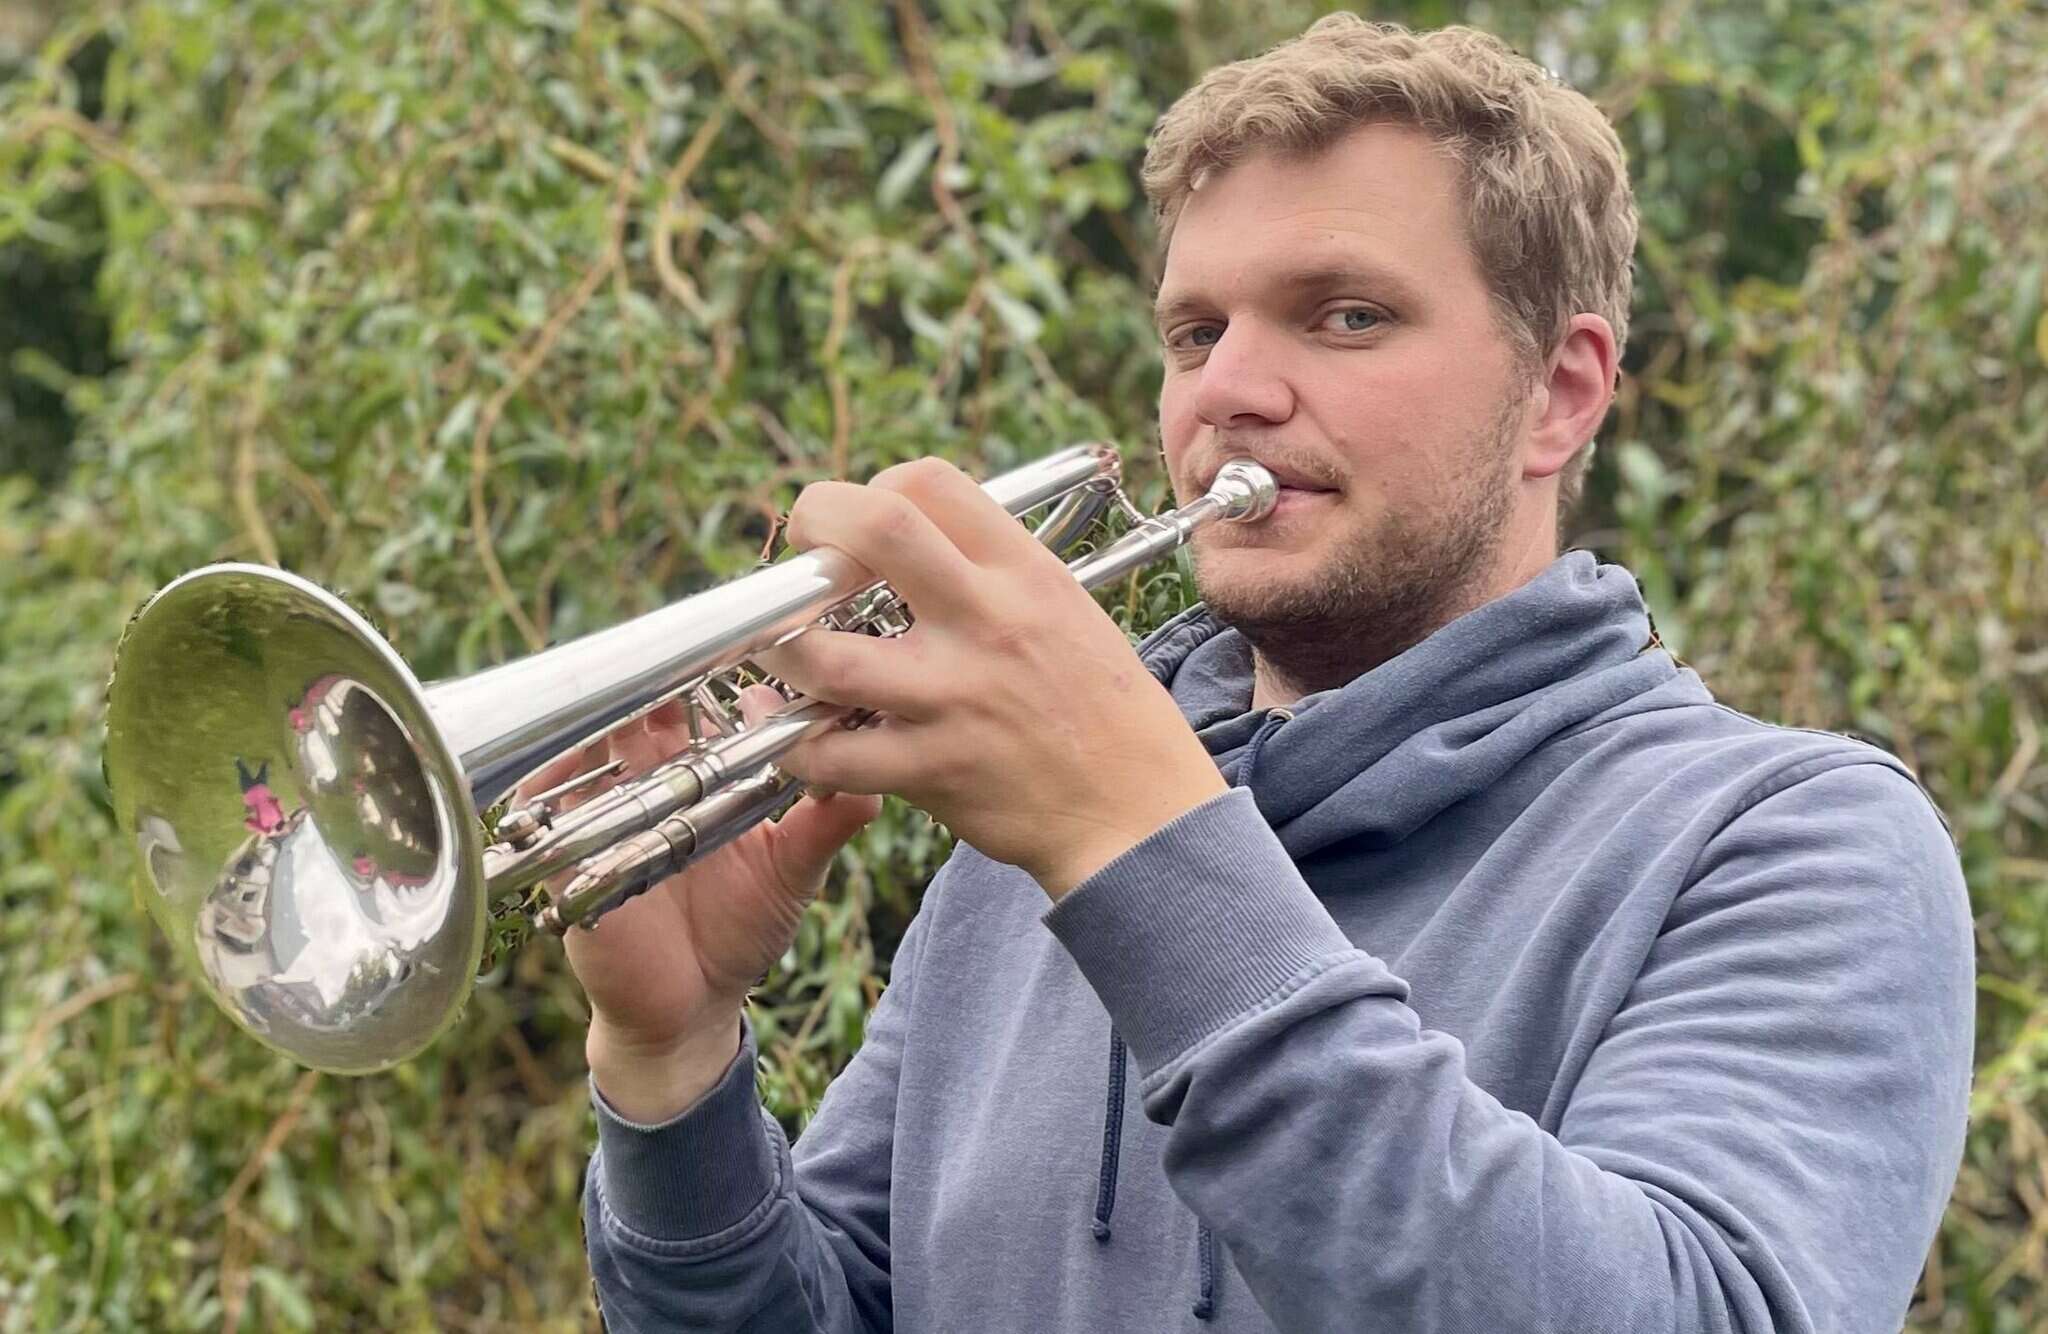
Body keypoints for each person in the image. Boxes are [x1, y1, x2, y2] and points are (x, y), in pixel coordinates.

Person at [560, 16, 1973, 1332]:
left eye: (1344, 314)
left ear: (1561, 391)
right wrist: (673, 1069)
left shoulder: (1793, 843)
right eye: (1196, 331)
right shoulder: (1015, 869)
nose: (1226, 387)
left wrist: (1138, 843)